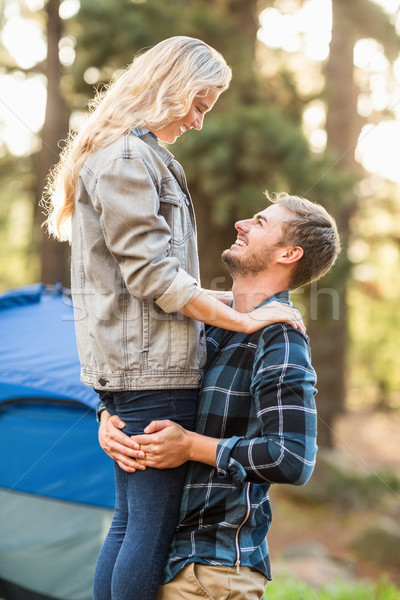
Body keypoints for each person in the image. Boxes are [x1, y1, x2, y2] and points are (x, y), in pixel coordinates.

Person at [43, 37, 303, 600]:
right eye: (200, 103)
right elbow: (154, 278)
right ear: (174, 87)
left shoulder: (132, 154)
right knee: (147, 531)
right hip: (153, 371)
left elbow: (158, 280)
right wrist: (246, 321)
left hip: (137, 370)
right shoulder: (131, 158)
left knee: (128, 523)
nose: (199, 121)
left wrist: (242, 310)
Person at [98, 192, 341, 600]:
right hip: (155, 560)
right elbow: (145, 384)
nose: (241, 224)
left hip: (212, 573)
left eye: (261, 223)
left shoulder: (279, 337)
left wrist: (192, 447)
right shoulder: (206, 325)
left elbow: (292, 457)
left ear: (288, 253)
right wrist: (107, 420)